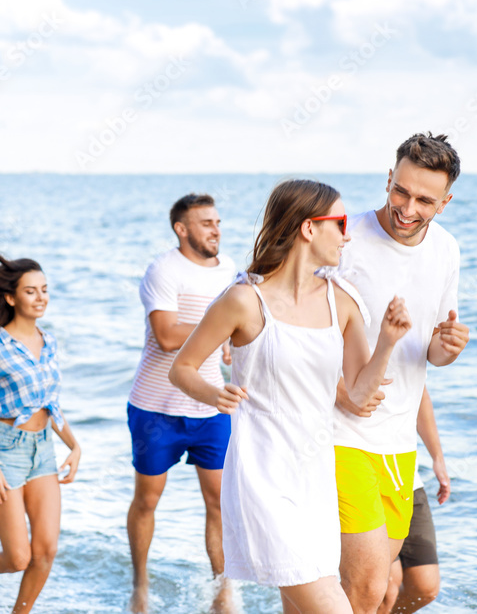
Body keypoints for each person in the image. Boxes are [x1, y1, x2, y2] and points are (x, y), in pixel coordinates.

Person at [168, 179, 412, 614]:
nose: (348, 234)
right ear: (307, 228)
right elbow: (181, 369)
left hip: (316, 477)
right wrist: (214, 393)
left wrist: (389, 343)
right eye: (339, 223)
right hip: (263, 476)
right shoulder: (244, 300)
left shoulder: (344, 302)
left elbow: (357, 394)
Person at [332, 132, 470, 614]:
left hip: (397, 445)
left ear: (445, 202)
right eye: (400, 191)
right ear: (388, 178)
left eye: (424, 200)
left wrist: (446, 348)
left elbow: (431, 351)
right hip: (338, 433)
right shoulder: (346, 239)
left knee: (375, 591)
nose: (407, 208)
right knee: (368, 585)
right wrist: (340, 390)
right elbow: (296, 327)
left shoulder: (447, 251)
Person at [0, 244, 81, 614]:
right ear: (10, 297)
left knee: (46, 550)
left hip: (43, 451)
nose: (41, 298)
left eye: (44, 290)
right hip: (4, 453)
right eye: (30, 291)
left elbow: (50, 404)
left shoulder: (48, 342)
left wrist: (74, 445)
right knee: (19, 557)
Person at [125, 193, 238, 614]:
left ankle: (223, 589)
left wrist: (229, 344)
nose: (216, 230)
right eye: (206, 223)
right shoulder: (163, 270)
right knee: (148, 500)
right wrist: (222, 328)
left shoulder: (228, 269)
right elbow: (168, 336)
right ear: (182, 228)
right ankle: (140, 584)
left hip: (210, 406)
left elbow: (238, 325)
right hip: (156, 408)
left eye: (218, 222)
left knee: (219, 502)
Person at [377, 387, 450, 614]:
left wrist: (437, 457)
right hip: (362, 476)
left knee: (425, 587)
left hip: (407, 478)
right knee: (385, 588)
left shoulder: (409, 353)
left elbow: (419, 393)